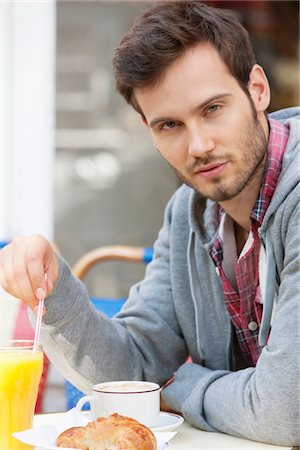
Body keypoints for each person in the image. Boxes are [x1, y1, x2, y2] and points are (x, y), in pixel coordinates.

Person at [0, 1, 299, 445]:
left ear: (257, 89)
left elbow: (286, 410)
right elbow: (132, 372)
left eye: (213, 108)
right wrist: (56, 287)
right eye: (170, 125)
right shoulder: (188, 214)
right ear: (147, 128)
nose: (199, 145)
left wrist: (179, 385)